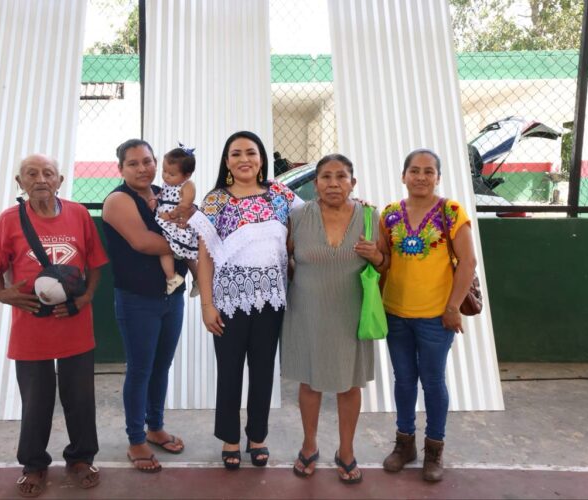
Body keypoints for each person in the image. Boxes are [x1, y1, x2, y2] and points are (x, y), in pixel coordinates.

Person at [0, 154, 106, 498]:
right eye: (31, 174)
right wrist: (2, 294)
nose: (40, 179)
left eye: (48, 173)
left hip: (74, 324)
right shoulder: (10, 220)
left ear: (59, 180)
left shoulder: (79, 215)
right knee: (36, 400)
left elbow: (95, 262)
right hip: (31, 326)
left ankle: (81, 458)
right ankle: (34, 464)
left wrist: (86, 297)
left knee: (80, 397)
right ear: (19, 182)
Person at [188, 130, 302, 470]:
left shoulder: (280, 194)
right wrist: (207, 305)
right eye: (236, 154)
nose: (244, 159)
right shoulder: (216, 200)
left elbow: (312, 217)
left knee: (263, 370)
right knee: (230, 370)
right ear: (227, 161)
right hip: (228, 301)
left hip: (271, 299)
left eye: (250, 152)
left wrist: (356, 205)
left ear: (261, 159)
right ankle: (230, 438)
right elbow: (205, 256)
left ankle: (257, 437)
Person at [281, 154, 386, 484]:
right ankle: (309, 445)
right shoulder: (298, 217)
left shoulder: (370, 216)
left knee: (349, 384)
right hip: (307, 313)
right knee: (309, 382)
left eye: (341, 177)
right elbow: (285, 260)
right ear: (315, 184)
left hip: (350, 314)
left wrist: (376, 255)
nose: (333, 183)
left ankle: (347, 451)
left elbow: (385, 265)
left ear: (353, 183)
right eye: (326, 177)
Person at [378, 148, 477, 482]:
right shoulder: (390, 214)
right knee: (404, 380)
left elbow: (468, 262)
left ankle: (434, 449)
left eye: (428, 171)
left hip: (437, 317)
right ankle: (404, 444)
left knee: (433, 382)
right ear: (403, 175)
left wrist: (453, 308)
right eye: (415, 171)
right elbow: (383, 262)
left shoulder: (451, 212)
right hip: (395, 314)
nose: (421, 177)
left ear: (438, 177)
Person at [101, 139, 189, 473]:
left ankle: (155, 427)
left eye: (148, 161)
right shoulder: (118, 200)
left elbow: (193, 220)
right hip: (137, 300)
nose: (143, 168)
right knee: (140, 369)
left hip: (172, 297)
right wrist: (187, 242)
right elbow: (142, 242)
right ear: (121, 168)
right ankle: (136, 438)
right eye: (133, 163)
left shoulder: (166, 193)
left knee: (161, 367)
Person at [153, 146, 199, 296]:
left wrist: (171, 215)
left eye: (171, 174)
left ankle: (197, 278)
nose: (166, 176)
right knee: (167, 249)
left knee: (187, 254)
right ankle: (171, 277)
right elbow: (163, 197)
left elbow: (185, 205)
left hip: (178, 224)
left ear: (187, 175)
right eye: (164, 171)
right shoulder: (167, 184)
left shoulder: (187, 185)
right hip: (168, 223)